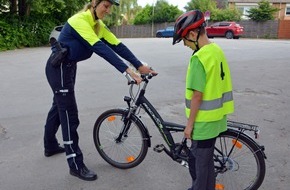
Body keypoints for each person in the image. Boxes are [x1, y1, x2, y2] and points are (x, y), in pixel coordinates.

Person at [44, 0, 157, 181]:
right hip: (59, 69)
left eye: (110, 7)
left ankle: (49, 145)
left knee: (58, 106)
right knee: (69, 115)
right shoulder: (79, 20)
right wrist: (127, 71)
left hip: (68, 67)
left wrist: (139, 65)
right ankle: (75, 164)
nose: (108, 10)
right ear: (94, 3)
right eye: (105, 5)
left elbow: (117, 46)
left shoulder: (98, 25)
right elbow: (100, 48)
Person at [172, 10, 234, 190]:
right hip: (217, 119)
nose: (185, 45)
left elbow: (197, 95)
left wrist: (189, 125)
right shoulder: (216, 50)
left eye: (184, 40)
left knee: (199, 168)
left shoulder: (199, 58)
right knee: (206, 165)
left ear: (193, 34)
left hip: (203, 123)